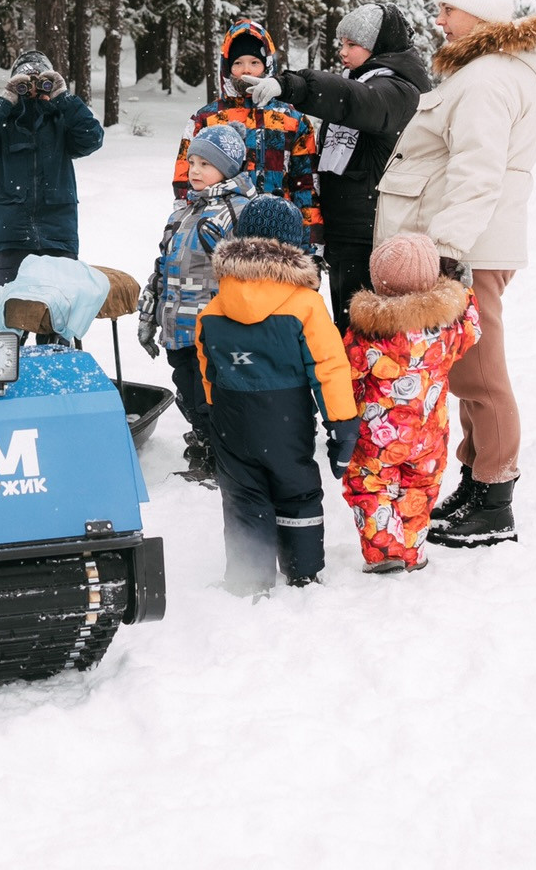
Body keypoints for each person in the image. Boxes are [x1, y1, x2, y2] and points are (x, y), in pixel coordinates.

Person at [373, 0, 536, 548]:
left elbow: (477, 173)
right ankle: (478, 485)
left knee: (481, 374)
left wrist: (448, 249)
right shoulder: (486, 73)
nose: (440, 20)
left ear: (478, 12)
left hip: (471, 247)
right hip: (473, 243)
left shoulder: (487, 79)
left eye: (448, 8)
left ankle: (495, 498)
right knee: (467, 373)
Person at [194, 196, 359, 593]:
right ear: (294, 248)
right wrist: (342, 424)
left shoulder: (214, 307)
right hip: (286, 420)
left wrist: (213, 411)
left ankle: (248, 575)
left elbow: (207, 368)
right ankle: (302, 569)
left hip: (233, 418)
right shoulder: (306, 305)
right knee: (296, 489)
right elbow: (328, 367)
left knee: (242, 496)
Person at [237, 2, 427, 328]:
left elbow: (353, 100)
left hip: (373, 236)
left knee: (366, 340)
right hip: (347, 235)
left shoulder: (397, 90)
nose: (343, 52)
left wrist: (292, 85)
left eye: (353, 44)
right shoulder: (364, 80)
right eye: (342, 43)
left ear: (379, 46)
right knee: (347, 336)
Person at [340, 232, 478, 572]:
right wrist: (466, 292)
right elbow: (473, 327)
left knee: (370, 487)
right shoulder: (448, 327)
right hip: (430, 434)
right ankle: (413, 553)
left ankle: (385, 553)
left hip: (377, 436)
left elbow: (347, 371)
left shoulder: (367, 332)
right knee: (421, 488)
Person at [135, 123, 256, 482]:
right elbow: (162, 267)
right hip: (177, 328)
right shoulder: (182, 214)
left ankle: (223, 459)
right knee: (188, 393)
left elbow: (252, 277)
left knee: (214, 397)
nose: (196, 170)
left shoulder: (239, 213)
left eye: (206, 163)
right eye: (193, 162)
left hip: (214, 329)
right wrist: (148, 315)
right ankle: (203, 445)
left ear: (229, 168)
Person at [172, 19, 323, 248]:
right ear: (227, 67)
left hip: (279, 231)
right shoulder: (206, 119)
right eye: (238, 63)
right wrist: (184, 228)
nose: (246, 70)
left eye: (254, 62)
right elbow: (186, 178)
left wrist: (310, 242)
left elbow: (306, 184)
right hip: (220, 232)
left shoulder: (292, 120)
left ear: (267, 66)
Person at [0, 50, 105, 286]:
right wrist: (5, 100)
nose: (33, 89)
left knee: (59, 314)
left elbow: (92, 138)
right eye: (25, 83)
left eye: (41, 82)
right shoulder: (4, 121)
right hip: (12, 237)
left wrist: (63, 98)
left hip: (58, 236)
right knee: (11, 314)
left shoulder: (61, 119)